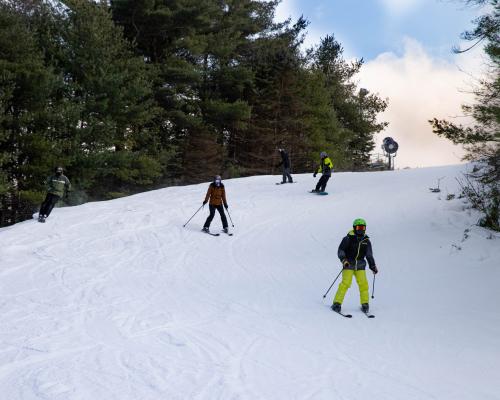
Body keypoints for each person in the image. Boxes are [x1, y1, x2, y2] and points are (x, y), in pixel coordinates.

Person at [331, 218, 378, 313]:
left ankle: (365, 304)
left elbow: (369, 255)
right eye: (358, 227)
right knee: (345, 284)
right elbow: (341, 250)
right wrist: (344, 260)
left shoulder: (366, 241)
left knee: (364, 284)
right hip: (349, 264)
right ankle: (337, 303)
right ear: (354, 228)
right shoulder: (348, 238)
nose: (360, 229)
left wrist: (372, 266)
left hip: (360, 265)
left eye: (362, 227)